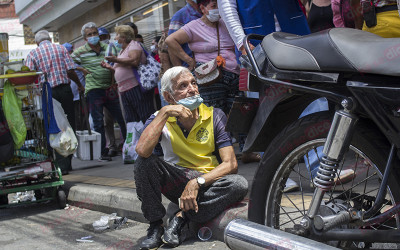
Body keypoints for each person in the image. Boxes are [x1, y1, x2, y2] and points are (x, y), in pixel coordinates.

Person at [134, 66, 248, 249]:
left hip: (208, 182)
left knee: (239, 184)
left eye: (194, 83)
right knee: (143, 163)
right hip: (177, 180)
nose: (192, 89)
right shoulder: (159, 117)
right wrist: (164, 113)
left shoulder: (214, 115)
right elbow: (142, 151)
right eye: (183, 86)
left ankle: (181, 217)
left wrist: (197, 182)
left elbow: (230, 164)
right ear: (169, 97)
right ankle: (156, 226)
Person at [166, 0, 260, 163]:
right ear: (202, 9)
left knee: (240, 112)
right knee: (215, 116)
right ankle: (222, 154)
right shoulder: (193, 26)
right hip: (210, 78)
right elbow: (170, 41)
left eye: (219, 6)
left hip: (234, 73)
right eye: (213, 7)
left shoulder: (228, 23)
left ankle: (246, 151)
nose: (218, 10)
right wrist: (188, 60)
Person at [25, 30, 84, 175]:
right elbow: (70, 70)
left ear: (37, 42)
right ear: (50, 39)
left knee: (53, 126)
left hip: (47, 94)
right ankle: (67, 162)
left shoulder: (33, 54)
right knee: (68, 124)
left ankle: (58, 163)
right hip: (64, 90)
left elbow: (29, 76)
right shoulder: (61, 48)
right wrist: (80, 84)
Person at [72, 22, 126, 161]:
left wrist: (114, 81)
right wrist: (81, 69)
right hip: (93, 90)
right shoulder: (80, 52)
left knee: (121, 118)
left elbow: (117, 62)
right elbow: (68, 63)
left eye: (95, 33)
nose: (93, 36)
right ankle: (102, 152)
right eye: (89, 34)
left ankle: (128, 147)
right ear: (85, 38)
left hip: (110, 88)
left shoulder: (108, 48)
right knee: (98, 121)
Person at [101, 25, 155, 125]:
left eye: (117, 35)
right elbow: (122, 69)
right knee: (132, 119)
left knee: (144, 115)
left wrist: (115, 59)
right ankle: (137, 140)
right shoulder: (122, 50)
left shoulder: (134, 45)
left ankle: (154, 139)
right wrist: (109, 67)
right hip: (124, 90)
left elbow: (134, 61)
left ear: (123, 37)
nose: (115, 38)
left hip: (135, 88)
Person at [98, 27, 120, 157]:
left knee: (122, 118)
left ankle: (126, 143)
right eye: (100, 37)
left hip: (118, 87)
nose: (102, 39)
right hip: (106, 90)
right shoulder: (95, 53)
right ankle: (112, 145)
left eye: (103, 36)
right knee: (107, 120)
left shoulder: (114, 48)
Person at [61, 43, 87, 131]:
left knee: (83, 116)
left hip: (80, 93)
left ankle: (83, 132)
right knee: (76, 117)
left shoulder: (77, 60)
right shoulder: (65, 62)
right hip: (73, 95)